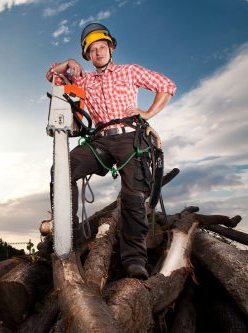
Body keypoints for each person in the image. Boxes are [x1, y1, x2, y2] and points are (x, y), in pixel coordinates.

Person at [45, 23, 176, 279]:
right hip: (100, 140)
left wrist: (148, 113)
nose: (98, 52)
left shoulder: (129, 71)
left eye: (101, 47)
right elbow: (52, 76)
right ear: (87, 55)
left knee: (134, 196)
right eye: (91, 50)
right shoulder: (84, 80)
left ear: (111, 48)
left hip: (129, 137)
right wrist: (69, 61)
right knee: (62, 168)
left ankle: (135, 259)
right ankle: (67, 235)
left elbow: (167, 85)